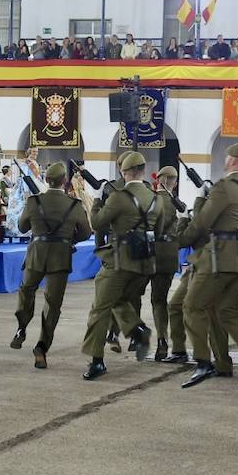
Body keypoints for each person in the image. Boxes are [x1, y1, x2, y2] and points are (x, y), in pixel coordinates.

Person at [175, 142, 238, 390]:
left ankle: (203, 361)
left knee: (192, 306)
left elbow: (202, 223)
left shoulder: (224, 188)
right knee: (228, 311)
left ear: (232, 160)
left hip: (219, 259)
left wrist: (180, 240)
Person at [80, 152, 167, 380]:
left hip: (120, 261)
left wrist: (97, 199)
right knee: (117, 300)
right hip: (145, 263)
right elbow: (157, 232)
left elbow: (97, 223)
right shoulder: (156, 199)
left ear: (124, 172)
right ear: (143, 171)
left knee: (99, 310)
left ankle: (97, 361)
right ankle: (137, 329)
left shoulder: (119, 197)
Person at [12, 162, 92, 369]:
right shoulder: (74, 205)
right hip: (61, 257)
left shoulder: (33, 201)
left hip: (36, 255)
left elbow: (21, 228)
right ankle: (42, 347)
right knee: (53, 304)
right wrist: (68, 240)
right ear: (65, 180)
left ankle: (22, 327)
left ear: (47, 179)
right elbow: (85, 232)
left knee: (26, 291)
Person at [150, 165, 186, 362]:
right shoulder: (177, 204)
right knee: (160, 299)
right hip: (170, 254)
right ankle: (162, 340)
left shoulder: (152, 200)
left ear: (159, 181)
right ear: (175, 183)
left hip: (150, 253)